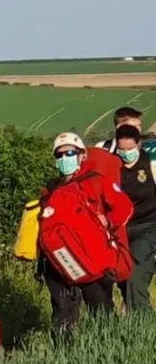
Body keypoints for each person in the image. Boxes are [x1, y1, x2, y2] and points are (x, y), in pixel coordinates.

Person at [38, 133, 133, 330]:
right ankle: (65, 357)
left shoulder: (98, 181)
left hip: (93, 259)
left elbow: (124, 207)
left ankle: (110, 351)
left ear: (82, 156)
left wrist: (107, 221)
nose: (65, 159)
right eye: (60, 155)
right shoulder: (50, 189)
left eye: (70, 153)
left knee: (101, 311)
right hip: (61, 261)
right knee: (63, 314)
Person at [115, 125, 156, 311]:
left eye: (129, 150)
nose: (125, 154)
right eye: (121, 150)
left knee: (134, 272)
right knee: (126, 278)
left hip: (149, 227)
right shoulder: (114, 167)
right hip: (122, 230)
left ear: (138, 145)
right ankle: (139, 326)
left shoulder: (150, 165)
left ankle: (143, 323)